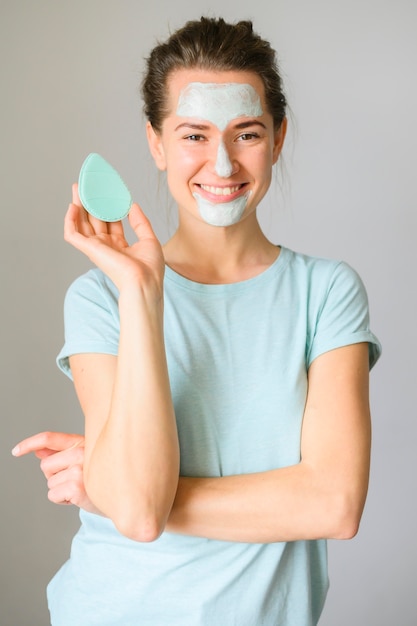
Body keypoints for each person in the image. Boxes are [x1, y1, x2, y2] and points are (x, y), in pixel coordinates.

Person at [13, 16, 381, 626]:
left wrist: (112, 484)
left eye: (247, 133)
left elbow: (335, 504)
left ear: (279, 138)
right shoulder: (102, 297)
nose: (222, 162)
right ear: (156, 142)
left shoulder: (326, 292)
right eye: (193, 135)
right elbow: (135, 512)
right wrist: (142, 290)